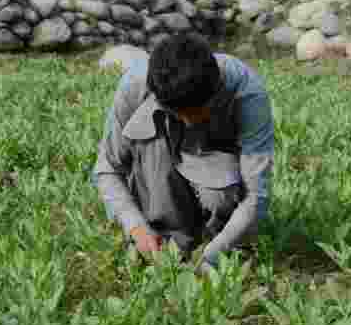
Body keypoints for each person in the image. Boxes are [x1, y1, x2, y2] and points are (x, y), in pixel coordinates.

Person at [92, 33, 275, 275]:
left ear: (216, 89)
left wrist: (210, 257)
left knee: (219, 198)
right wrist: (135, 227)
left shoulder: (246, 93)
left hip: (217, 183)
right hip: (157, 187)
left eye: (198, 113)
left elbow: (255, 196)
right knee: (146, 132)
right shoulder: (135, 86)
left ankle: (214, 239)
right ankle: (163, 236)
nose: (188, 122)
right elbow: (107, 169)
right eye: (178, 114)